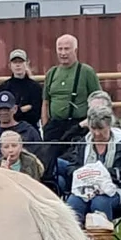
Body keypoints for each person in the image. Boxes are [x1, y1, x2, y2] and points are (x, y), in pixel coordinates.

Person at [64, 113, 121, 228]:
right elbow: (71, 167)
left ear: (109, 126)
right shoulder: (83, 143)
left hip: (114, 189)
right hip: (84, 190)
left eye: (101, 129)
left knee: (99, 203)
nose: (97, 133)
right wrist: (85, 173)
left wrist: (106, 173)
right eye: (93, 129)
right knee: (73, 204)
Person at [41, 34, 100, 182]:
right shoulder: (51, 73)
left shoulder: (86, 72)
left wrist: (89, 122)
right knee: (49, 164)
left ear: (75, 50)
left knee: (73, 164)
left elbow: (98, 99)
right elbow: (46, 101)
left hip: (78, 125)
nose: (63, 53)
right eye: (60, 49)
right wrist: (45, 124)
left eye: (67, 49)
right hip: (54, 126)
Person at [0, 90, 43, 166]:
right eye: (1, 109)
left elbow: (39, 159)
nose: (4, 112)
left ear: (15, 109)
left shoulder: (29, 132)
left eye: (7, 109)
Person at [0, 49, 42, 129]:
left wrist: (14, 111)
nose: (18, 65)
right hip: (7, 129)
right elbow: (0, 112)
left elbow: (36, 114)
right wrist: (22, 109)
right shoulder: (4, 87)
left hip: (29, 129)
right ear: (10, 65)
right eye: (15, 62)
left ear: (27, 63)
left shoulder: (35, 87)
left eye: (20, 62)